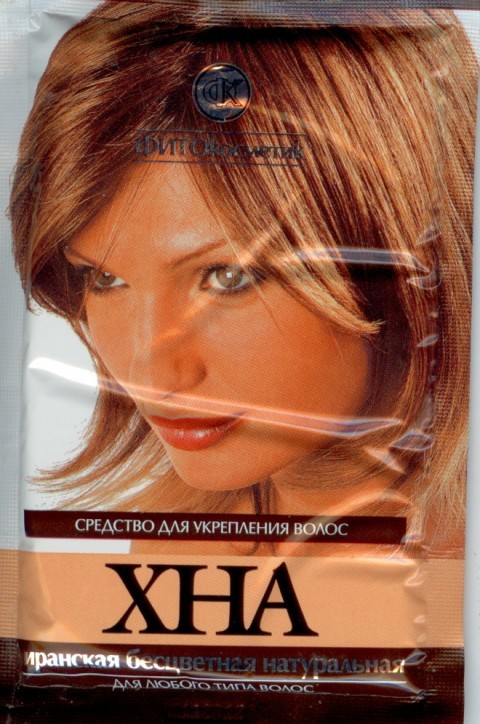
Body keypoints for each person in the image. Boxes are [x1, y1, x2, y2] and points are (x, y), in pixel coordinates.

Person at [10, 2, 477, 554]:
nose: (149, 375)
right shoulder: (174, 543)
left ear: (408, 266)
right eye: (103, 278)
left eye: (228, 276)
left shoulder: (457, 574)